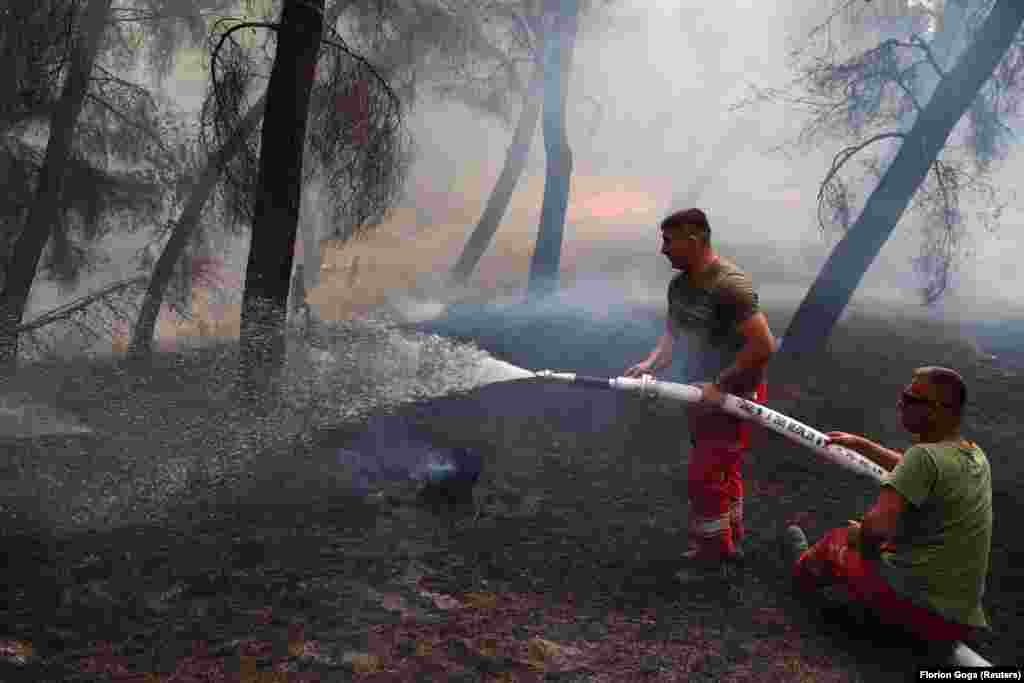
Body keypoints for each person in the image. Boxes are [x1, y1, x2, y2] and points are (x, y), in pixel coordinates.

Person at [781, 366, 992, 652]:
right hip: (957, 620)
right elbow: (913, 468)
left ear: (941, 410)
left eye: (910, 398)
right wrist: (862, 445)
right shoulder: (972, 455)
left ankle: (802, 573)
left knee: (841, 538)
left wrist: (865, 546)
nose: (900, 403)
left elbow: (875, 529)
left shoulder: (923, 458)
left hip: (915, 611)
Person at [625, 208, 776, 578]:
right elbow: (674, 334)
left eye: (667, 241)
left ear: (693, 241)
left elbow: (763, 346)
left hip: (733, 396)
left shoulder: (729, 285)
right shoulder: (680, 285)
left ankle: (711, 558)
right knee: (722, 468)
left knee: (705, 476)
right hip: (701, 394)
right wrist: (651, 364)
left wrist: (720, 386)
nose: (662, 250)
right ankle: (730, 540)